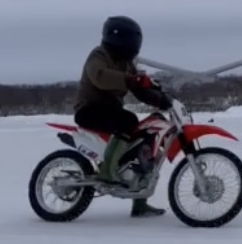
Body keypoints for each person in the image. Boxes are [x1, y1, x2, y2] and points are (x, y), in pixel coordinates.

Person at [73, 16, 174, 216]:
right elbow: (100, 76)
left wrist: (161, 99)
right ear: (117, 37)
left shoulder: (126, 63)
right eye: (130, 40)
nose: (133, 45)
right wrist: (130, 79)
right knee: (128, 120)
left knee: (148, 141)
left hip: (110, 111)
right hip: (88, 110)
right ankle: (106, 172)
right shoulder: (99, 55)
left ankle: (139, 203)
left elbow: (139, 89)